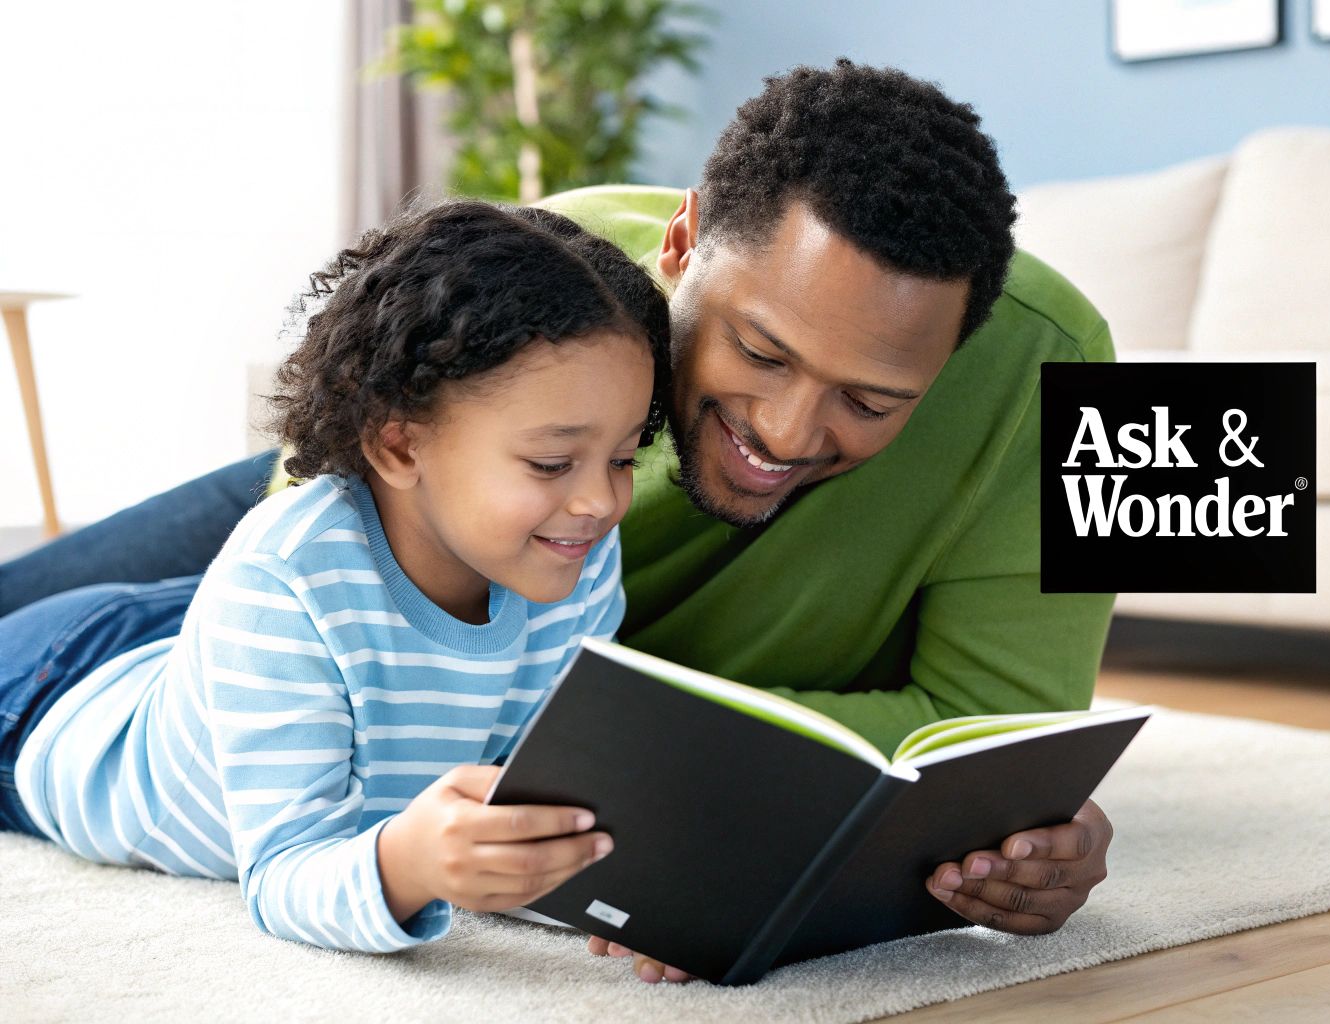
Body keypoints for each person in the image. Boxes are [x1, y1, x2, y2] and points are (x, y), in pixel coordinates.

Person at [0, 61, 1120, 984]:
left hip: (490, 615)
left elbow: (995, 736)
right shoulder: (554, 279)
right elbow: (330, 540)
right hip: (354, 538)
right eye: (759, 352)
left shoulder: (1061, 370)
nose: (783, 427)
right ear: (679, 252)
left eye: (870, 401)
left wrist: (1005, 829)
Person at [0, 201, 667, 953]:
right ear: (399, 445)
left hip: (222, 645)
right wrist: (409, 864)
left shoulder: (572, 557)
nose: (600, 501)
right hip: (51, 700)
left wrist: (633, 895)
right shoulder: (284, 575)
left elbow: (523, 807)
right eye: (552, 463)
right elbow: (283, 875)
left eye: (624, 457)